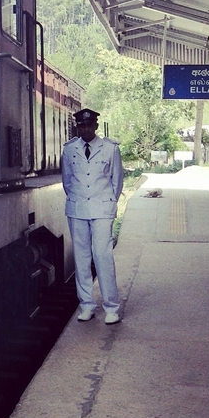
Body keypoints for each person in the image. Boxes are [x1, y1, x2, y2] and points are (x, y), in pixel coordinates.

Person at [61, 108, 124, 324]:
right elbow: (67, 181)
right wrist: (80, 199)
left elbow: (117, 181)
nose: (85, 129)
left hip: (102, 208)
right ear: (77, 127)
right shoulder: (69, 149)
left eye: (89, 125)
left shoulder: (110, 148)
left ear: (96, 126)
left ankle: (111, 307)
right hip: (78, 209)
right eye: (81, 126)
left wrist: (107, 203)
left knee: (103, 255)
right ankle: (87, 305)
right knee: (81, 257)